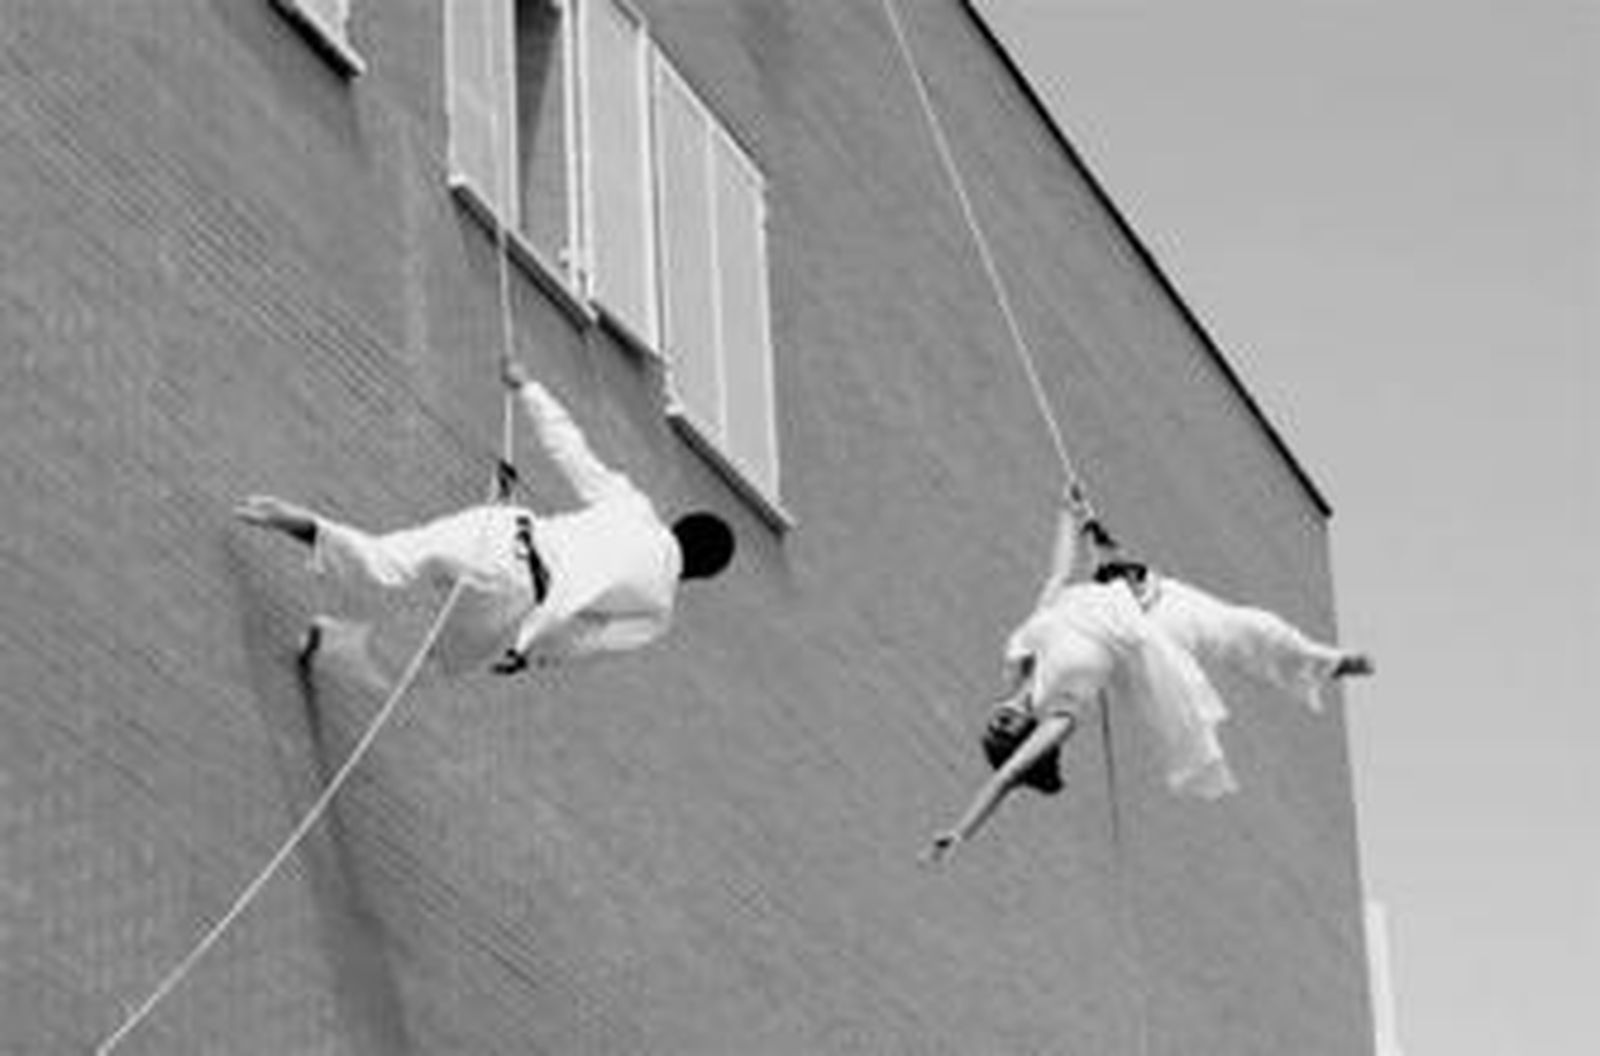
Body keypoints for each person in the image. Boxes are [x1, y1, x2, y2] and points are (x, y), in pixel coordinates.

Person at [922, 483, 1371, 866]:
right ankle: (1328, 664)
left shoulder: (1023, 656)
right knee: (1242, 632)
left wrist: (1069, 515)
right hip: (1154, 631)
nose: (997, 724)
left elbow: (1058, 577)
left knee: (1252, 625)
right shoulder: (1060, 712)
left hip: (1148, 592)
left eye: (991, 729)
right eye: (1005, 736)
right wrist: (962, 831)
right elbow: (1006, 778)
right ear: (1027, 737)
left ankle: (1323, 659)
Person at [236, 360, 736, 678]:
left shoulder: (635, 509)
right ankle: (330, 644)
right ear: (698, 575)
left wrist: (529, 389)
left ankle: (311, 526)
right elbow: (585, 640)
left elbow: (573, 454)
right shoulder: (657, 610)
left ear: (678, 525)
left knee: (387, 559)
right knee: (436, 663)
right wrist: (527, 652)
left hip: (505, 529)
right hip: (517, 594)